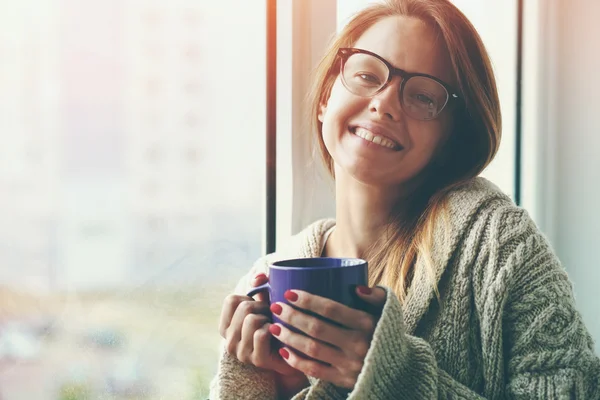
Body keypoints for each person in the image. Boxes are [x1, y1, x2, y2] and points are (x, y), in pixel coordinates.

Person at [210, 0, 600, 398]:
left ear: (451, 140)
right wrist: (280, 385)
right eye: (366, 74)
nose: (385, 104)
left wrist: (394, 377)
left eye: (422, 97)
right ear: (327, 97)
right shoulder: (266, 280)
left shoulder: (502, 248)